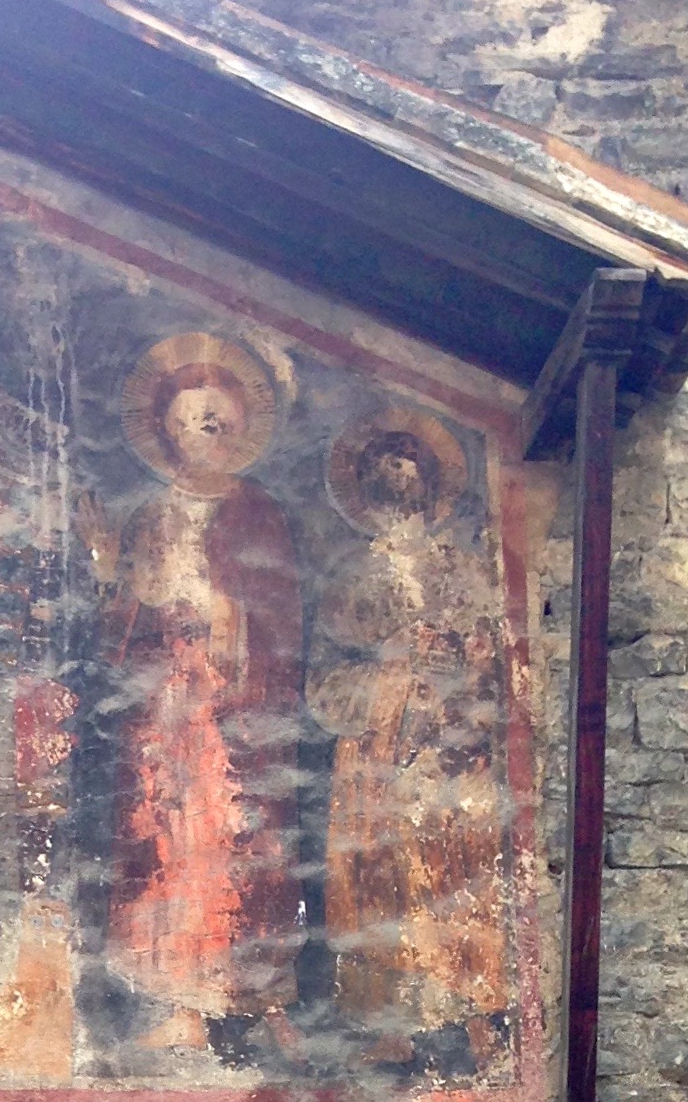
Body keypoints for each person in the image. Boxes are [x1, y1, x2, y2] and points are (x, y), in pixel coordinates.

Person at [98, 332, 304, 1046]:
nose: (201, 436)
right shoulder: (150, 515)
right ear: (167, 435)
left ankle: (259, 999)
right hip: (168, 710)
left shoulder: (259, 512)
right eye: (187, 424)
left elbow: (283, 613)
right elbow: (122, 626)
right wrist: (111, 574)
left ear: (238, 429)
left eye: (213, 422)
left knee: (243, 842)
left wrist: (231, 617)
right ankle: (181, 1005)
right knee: (173, 844)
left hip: (239, 705)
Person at [313, 406, 508, 1053]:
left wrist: (460, 665)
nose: (397, 482)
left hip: (452, 755)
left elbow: (495, 665)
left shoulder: (465, 570)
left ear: (431, 483)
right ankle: (391, 1028)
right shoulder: (350, 577)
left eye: (407, 470)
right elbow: (324, 683)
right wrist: (393, 669)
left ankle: (472, 1016)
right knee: (384, 887)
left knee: (457, 881)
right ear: (364, 491)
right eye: (382, 472)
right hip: (376, 759)